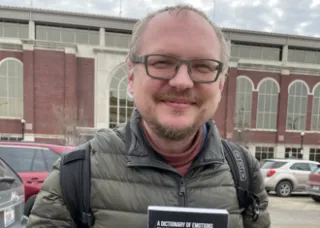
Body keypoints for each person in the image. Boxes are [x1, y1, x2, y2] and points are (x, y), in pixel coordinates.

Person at [27, 4, 271, 228]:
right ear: (131, 76)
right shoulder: (75, 175)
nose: (182, 81)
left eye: (203, 66)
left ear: (220, 85)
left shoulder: (245, 173)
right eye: (162, 62)